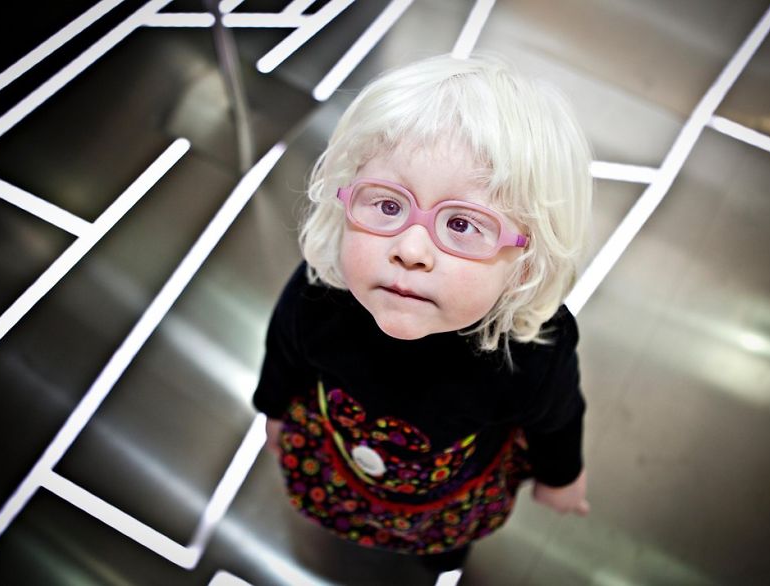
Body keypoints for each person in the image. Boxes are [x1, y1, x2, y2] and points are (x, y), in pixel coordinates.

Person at [252, 53, 593, 575]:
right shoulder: (321, 294)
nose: (411, 248)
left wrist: (561, 476)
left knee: (440, 551)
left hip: (449, 501)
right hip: (338, 464)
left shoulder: (532, 348)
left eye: (462, 225)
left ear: (526, 259)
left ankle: (440, 558)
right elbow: (283, 353)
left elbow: (558, 419)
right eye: (388, 206)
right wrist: (273, 410)